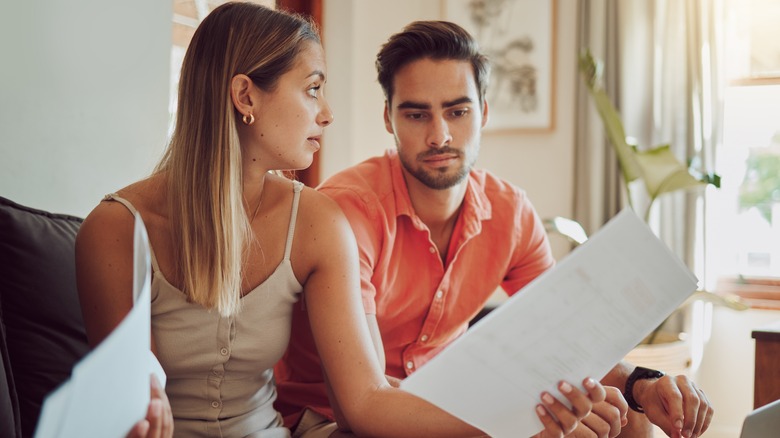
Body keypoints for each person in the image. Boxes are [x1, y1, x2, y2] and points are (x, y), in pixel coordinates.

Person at [75, 3, 605, 437]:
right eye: (312, 89)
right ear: (245, 97)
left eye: (458, 111)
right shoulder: (116, 229)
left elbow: (366, 401)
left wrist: (523, 418)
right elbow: (122, 400)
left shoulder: (315, 221)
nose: (327, 113)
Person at [275, 20, 715, 438]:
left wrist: (643, 385)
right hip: (331, 417)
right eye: (417, 115)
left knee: (626, 417)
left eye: (457, 111)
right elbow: (367, 404)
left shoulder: (511, 213)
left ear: (483, 112)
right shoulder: (348, 211)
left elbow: (565, 339)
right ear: (389, 118)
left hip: (444, 400)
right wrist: (515, 427)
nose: (440, 135)